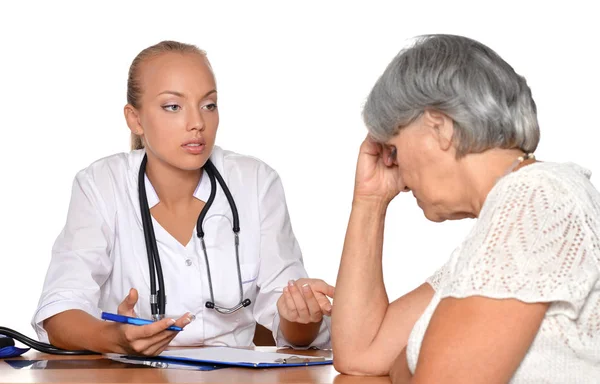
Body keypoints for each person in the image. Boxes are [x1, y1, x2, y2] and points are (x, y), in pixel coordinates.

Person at [32, 40, 333, 356]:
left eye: (209, 105)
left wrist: (302, 316)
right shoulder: (100, 184)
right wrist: (114, 338)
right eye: (173, 106)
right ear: (135, 119)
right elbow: (59, 312)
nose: (197, 123)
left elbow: (294, 330)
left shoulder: (256, 182)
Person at [332, 34, 600, 383]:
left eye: (395, 148)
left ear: (439, 127)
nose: (399, 172)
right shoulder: (503, 226)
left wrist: (410, 363)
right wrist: (370, 201)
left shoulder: (535, 198)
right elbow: (361, 353)